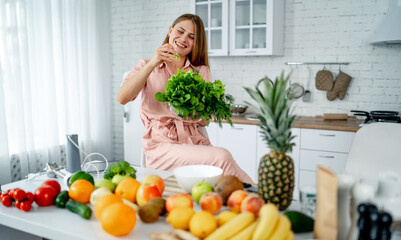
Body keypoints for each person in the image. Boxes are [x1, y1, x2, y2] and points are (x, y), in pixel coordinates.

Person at [117, 13, 253, 184]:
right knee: (222, 157)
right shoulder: (147, 65)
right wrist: (153, 63)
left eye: (191, 37)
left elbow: (203, 121)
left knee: (220, 179)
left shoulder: (200, 71)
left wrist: (192, 114)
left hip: (195, 142)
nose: (183, 39)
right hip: (162, 146)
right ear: (170, 30)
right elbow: (123, 97)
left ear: (197, 43)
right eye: (180, 32)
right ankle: (256, 193)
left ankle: (247, 198)